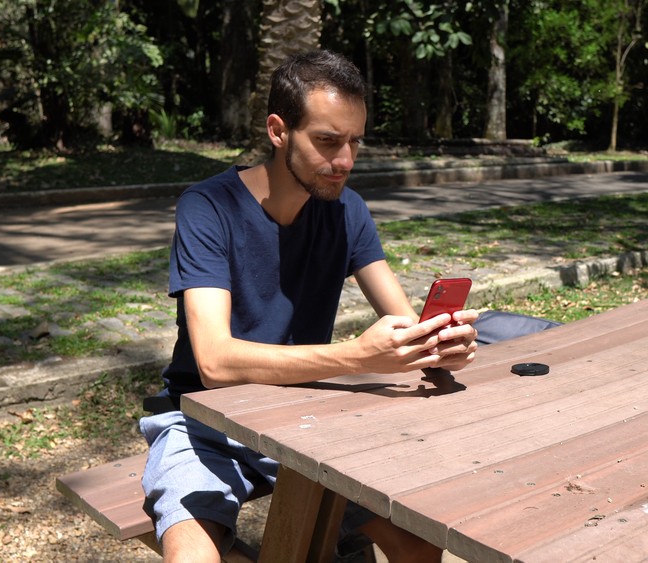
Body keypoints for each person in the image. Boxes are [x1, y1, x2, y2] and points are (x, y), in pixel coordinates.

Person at [138, 49, 479, 563]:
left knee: (419, 547)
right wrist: (357, 356)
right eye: (327, 141)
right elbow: (214, 362)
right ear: (279, 131)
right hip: (203, 420)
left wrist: (436, 344)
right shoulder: (208, 207)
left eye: (354, 141)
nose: (345, 161)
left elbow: (404, 321)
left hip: (309, 419)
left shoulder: (347, 211)